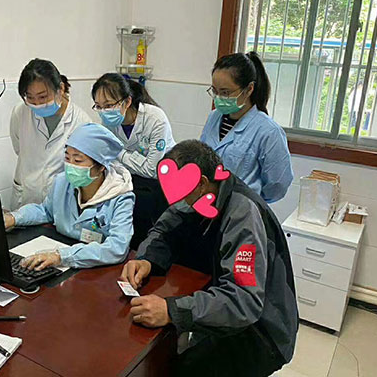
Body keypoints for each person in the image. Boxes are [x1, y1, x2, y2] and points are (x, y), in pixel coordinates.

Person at [119, 140, 298, 377]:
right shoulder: (201, 194)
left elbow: (243, 300)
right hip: (226, 311)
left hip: (261, 331)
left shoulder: (243, 214)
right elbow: (164, 229)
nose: (177, 201)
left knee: (181, 370)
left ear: (202, 183)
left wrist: (172, 311)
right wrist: (146, 259)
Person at [4, 123, 135, 270]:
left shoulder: (120, 197)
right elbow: (46, 211)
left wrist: (62, 256)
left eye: (78, 161)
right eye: (67, 158)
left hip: (95, 268)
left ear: (101, 166)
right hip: (61, 250)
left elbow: (117, 248)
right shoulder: (62, 181)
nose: (70, 166)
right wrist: (13, 218)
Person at [91, 73, 175, 248]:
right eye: (99, 106)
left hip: (160, 185)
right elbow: (110, 162)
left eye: (109, 105)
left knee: (148, 235)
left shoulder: (155, 118)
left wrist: (118, 151)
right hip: (130, 183)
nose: (104, 112)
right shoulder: (109, 122)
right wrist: (126, 159)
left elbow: (152, 170)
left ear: (127, 101)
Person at [200, 52, 293, 203]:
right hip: (208, 205)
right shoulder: (214, 118)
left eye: (225, 92)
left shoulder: (268, 131)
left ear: (249, 89)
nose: (219, 98)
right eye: (215, 91)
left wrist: (251, 200)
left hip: (242, 210)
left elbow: (277, 185)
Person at [9, 58, 91, 210]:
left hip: (60, 206)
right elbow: (19, 148)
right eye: (30, 97)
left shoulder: (81, 122)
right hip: (25, 199)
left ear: (60, 89)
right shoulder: (20, 112)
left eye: (43, 97)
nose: (37, 104)